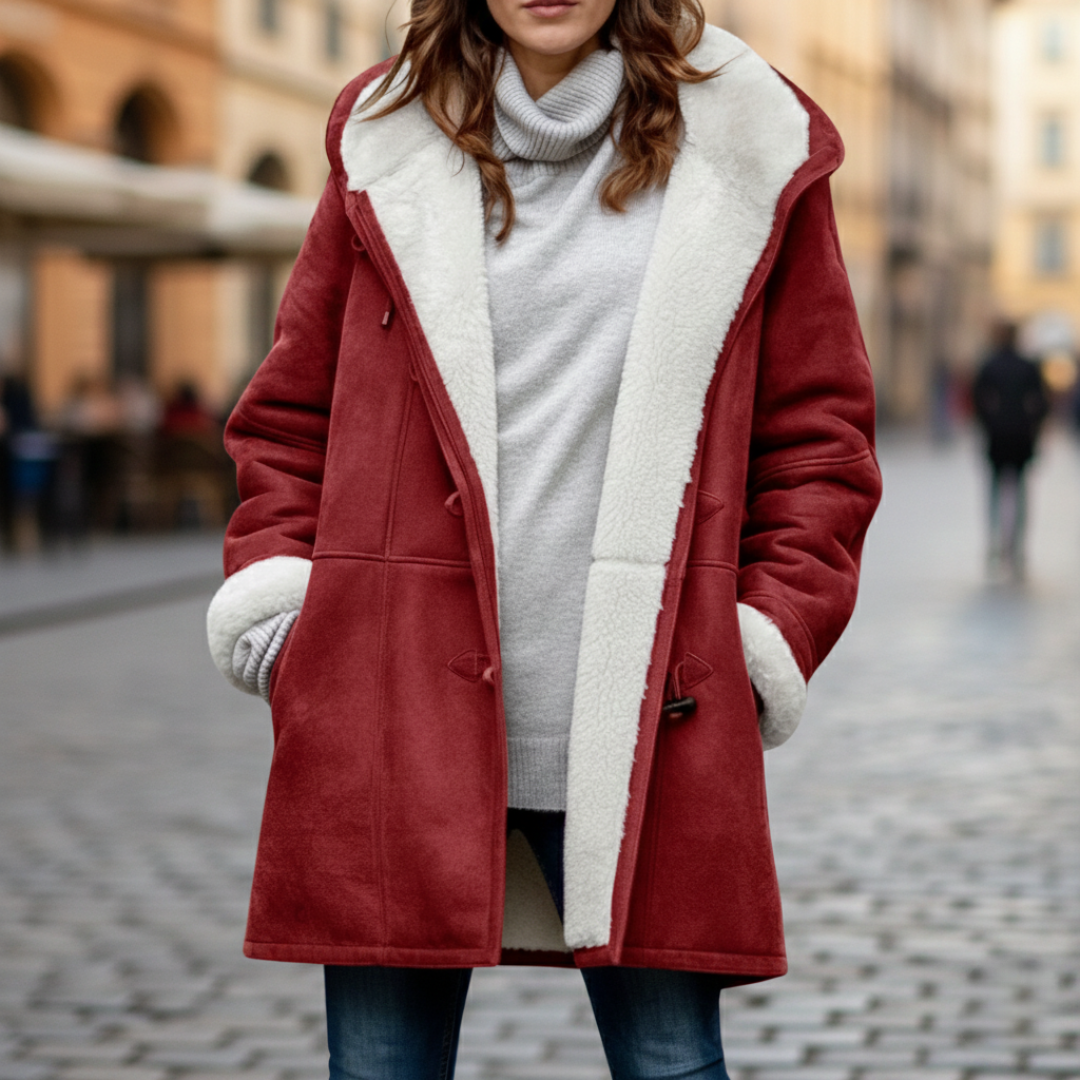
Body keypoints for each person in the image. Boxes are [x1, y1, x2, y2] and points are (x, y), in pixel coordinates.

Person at [205, 0, 882, 1073]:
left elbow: (821, 443)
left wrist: (760, 639)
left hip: (657, 713)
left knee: (671, 1062)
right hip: (391, 705)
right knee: (380, 1069)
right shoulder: (384, 134)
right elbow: (291, 416)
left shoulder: (748, 142)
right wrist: (285, 608)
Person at [972, 321, 1049, 581]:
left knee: (994, 488)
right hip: (1021, 435)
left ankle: (994, 542)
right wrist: (1031, 424)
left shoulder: (990, 364)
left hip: (997, 435)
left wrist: (989, 422)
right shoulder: (1028, 366)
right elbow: (1041, 402)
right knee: (1021, 489)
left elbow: (977, 399)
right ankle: (1016, 545)